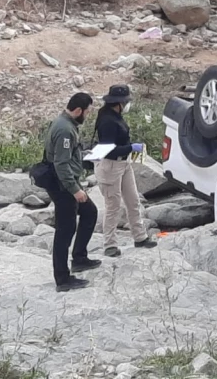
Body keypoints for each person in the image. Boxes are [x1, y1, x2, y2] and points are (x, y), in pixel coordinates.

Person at [43, 92, 101, 292]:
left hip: (68, 182)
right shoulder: (65, 130)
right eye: (87, 112)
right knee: (65, 230)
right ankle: (62, 279)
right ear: (78, 111)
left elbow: (67, 156)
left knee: (89, 212)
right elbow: (61, 164)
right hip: (63, 186)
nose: (87, 115)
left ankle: (80, 258)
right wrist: (75, 190)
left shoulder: (65, 124)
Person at [93, 84, 158, 257]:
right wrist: (131, 148)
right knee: (113, 206)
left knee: (133, 200)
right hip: (111, 166)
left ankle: (140, 236)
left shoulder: (114, 114)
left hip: (124, 164)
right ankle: (110, 245)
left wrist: (129, 149)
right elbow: (109, 150)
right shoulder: (107, 120)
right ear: (119, 102)